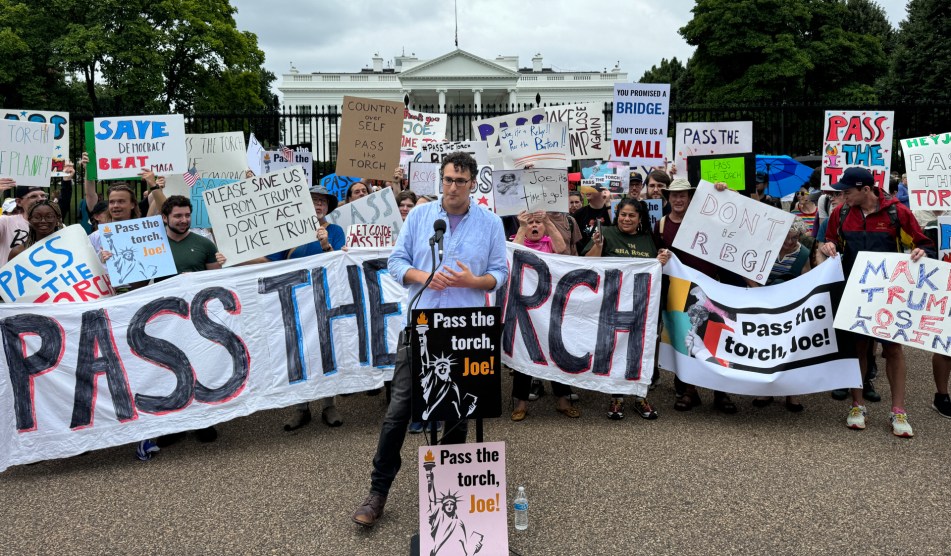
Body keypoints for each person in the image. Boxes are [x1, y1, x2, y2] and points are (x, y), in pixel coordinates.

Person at [352, 151, 508, 528]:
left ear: (473, 183)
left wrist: (475, 281)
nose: (453, 187)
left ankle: (450, 488)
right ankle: (378, 491)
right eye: (448, 180)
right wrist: (424, 276)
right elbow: (395, 261)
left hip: (466, 329)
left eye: (461, 181)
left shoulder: (489, 223)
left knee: (457, 411)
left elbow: (500, 272)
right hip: (421, 326)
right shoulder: (421, 216)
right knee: (399, 411)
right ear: (441, 181)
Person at [819, 167, 935, 437]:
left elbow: (924, 243)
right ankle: (857, 405)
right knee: (858, 348)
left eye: (847, 191)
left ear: (866, 189)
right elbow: (830, 239)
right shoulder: (841, 212)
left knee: (893, 349)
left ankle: (898, 411)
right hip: (855, 292)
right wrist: (828, 246)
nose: (842, 196)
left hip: (889, 293)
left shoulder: (897, 212)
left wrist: (922, 251)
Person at [655, 178, 739, 413]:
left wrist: (726, 193)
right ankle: (688, 390)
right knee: (684, 339)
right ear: (668, 198)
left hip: (711, 288)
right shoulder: (661, 225)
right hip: (678, 291)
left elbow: (734, 217)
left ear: (690, 197)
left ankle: (721, 392)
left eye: (683, 195)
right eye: (674, 195)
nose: (678, 199)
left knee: (716, 338)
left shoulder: (705, 219)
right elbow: (657, 258)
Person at [583, 197, 669, 420]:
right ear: (616, 214)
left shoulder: (647, 239)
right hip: (613, 305)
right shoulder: (606, 234)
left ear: (640, 218)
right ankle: (617, 397)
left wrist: (660, 261)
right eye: (623, 214)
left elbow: (654, 270)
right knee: (614, 349)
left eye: (632, 215)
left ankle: (641, 397)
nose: (627, 219)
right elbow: (585, 263)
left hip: (642, 306)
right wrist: (598, 246)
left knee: (641, 350)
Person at [271, 185, 346, 430]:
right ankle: (300, 408)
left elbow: (340, 263)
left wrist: (326, 245)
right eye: (313, 200)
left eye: (323, 202)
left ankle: (328, 405)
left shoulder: (335, 231)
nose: (318, 205)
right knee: (297, 349)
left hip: (324, 296)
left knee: (327, 348)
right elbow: (269, 263)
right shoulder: (286, 233)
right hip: (294, 296)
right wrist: (229, 257)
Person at [153, 195, 224, 446]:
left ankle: (203, 421)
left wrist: (220, 267)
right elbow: (138, 282)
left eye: (186, 215)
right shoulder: (153, 242)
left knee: (201, 368)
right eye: (177, 216)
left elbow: (216, 282)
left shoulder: (204, 244)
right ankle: (174, 424)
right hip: (163, 319)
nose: (183, 220)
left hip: (196, 319)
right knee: (169, 369)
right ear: (165, 218)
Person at [509, 210, 579, 421]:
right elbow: (514, 255)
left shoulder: (550, 243)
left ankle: (562, 400)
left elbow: (562, 249)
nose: (534, 226)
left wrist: (548, 221)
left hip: (549, 309)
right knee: (524, 354)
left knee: (556, 352)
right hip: (524, 309)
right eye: (530, 223)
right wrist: (521, 227)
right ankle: (521, 402)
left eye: (538, 222)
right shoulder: (515, 240)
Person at [748, 217, 812, 412]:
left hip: (789, 306)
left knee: (789, 349)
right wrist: (758, 290)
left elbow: (806, 279)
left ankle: (792, 393)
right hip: (764, 303)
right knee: (765, 347)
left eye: (794, 238)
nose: (789, 242)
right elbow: (747, 270)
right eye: (786, 238)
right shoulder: (766, 248)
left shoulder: (803, 254)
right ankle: (766, 389)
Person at [0, 182, 48, 263]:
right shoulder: (6, 222)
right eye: (33, 196)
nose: (40, 199)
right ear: (19, 202)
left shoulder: (56, 226)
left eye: (43, 195)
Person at [573, 183, 612, 254]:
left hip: (607, 257)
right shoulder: (579, 213)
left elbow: (615, 227)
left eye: (591, 188)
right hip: (586, 257)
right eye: (586, 188)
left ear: (603, 191)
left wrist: (608, 203)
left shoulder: (610, 211)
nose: (587, 190)